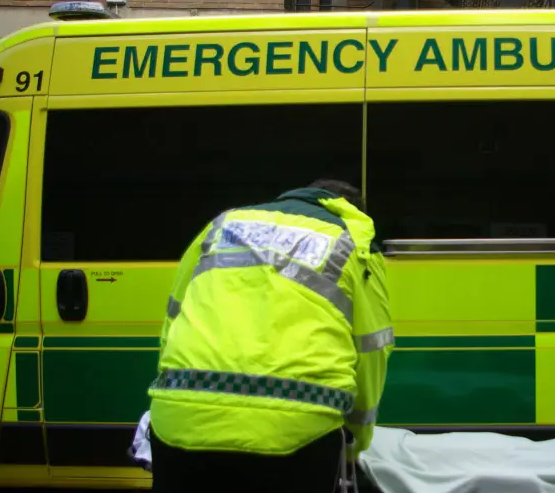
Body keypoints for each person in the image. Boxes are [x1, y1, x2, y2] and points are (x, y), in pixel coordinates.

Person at [146, 179, 394, 492]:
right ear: (349, 208)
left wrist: (175, 395)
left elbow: (173, 320)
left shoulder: (222, 226)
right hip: (298, 433)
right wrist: (355, 442)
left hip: (180, 420)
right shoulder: (353, 240)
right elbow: (371, 350)